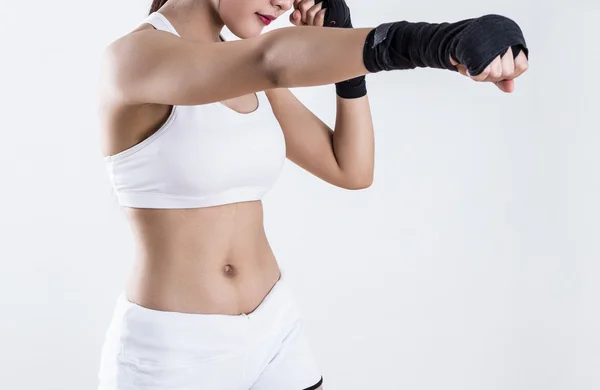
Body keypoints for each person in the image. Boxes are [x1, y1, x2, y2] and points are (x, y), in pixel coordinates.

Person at [96, 0, 530, 389]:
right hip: (174, 352)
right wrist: (434, 42)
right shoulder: (133, 57)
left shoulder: (245, 71)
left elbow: (351, 168)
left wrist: (347, 66)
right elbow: (273, 59)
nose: (284, 2)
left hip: (275, 331)